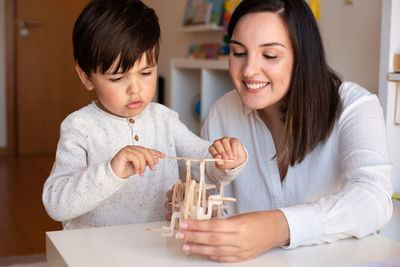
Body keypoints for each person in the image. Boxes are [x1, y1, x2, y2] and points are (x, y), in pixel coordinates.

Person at [168, 0, 393, 262]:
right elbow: (209, 194)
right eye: (238, 52)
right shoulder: (222, 112)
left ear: (303, 57)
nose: (249, 70)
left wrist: (277, 227)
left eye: (270, 55)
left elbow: (374, 200)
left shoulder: (354, 106)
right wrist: (194, 205)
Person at [42, 0, 247, 230]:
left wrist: (225, 160)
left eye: (146, 72)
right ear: (86, 77)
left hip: (155, 243)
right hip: (96, 251)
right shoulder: (79, 127)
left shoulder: (164, 119)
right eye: (118, 78)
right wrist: (112, 170)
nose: (135, 89)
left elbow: (204, 164)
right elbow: (56, 204)